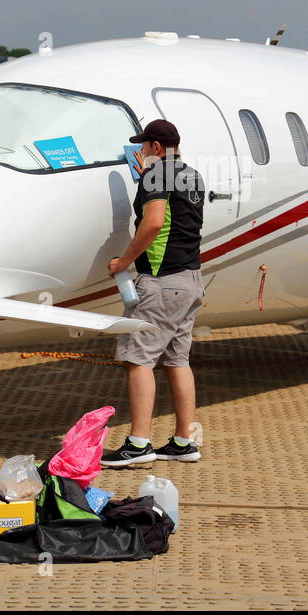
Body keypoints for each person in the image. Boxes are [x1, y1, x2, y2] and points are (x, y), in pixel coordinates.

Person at [101, 119, 206, 467]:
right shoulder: (192, 175)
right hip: (190, 279)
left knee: (138, 360)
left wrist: (124, 262)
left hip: (162, 283)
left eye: (144, 147)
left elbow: (155, 221)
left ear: (156, 148)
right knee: (178, 360)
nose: (142, 153)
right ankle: (183, 441)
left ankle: (138, 444)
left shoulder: (155, 175)